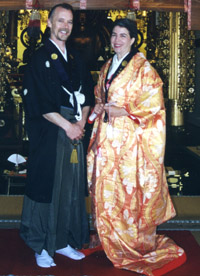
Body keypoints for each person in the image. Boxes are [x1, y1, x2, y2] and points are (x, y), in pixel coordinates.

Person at [87, 18, 186, 276]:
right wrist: (99, 106)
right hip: (108, 138)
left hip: (131, 142)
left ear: (132, 40)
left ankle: (131, 244)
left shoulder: (144, 69)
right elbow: (100, 95)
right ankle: (111, 239)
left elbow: (154, 105)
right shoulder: (108, 65)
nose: (117, 40)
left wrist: (126, 111)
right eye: (115, 35)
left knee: (128, 191)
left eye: (123, 36)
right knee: (108, 190)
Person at [20, 3, 94, 268]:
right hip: (50, 133)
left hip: (74, 133)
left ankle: (62, 240)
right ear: (49, 23)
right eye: (60, 21)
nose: (65, 26)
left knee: (70, 188)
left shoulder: (76, 59)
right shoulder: (39, 58)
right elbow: (38, 103)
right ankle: (41, 245)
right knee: (46, 187)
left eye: (70, 22)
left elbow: (88, 93)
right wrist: (68, 126)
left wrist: (82, 122)